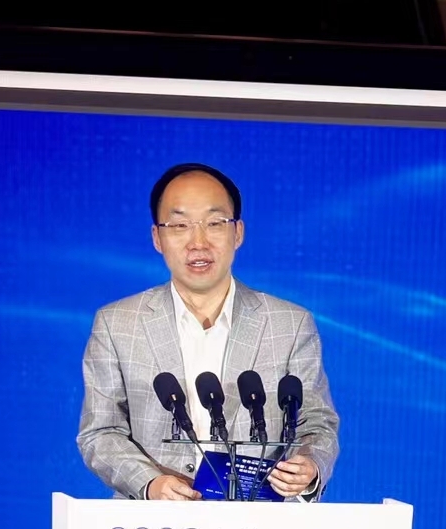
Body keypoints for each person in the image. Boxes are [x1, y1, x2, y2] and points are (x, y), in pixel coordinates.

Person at [78, 162, 339, 501]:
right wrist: (150, 484)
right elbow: (100, 432)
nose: (198, 242)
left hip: (258, 521)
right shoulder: (117, 324)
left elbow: (317, 422)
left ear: (238, 233)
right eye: (179, 225)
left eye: (215, 223)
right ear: (157, 238)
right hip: (153, 523)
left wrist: (311, 467)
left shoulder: (289, 324)